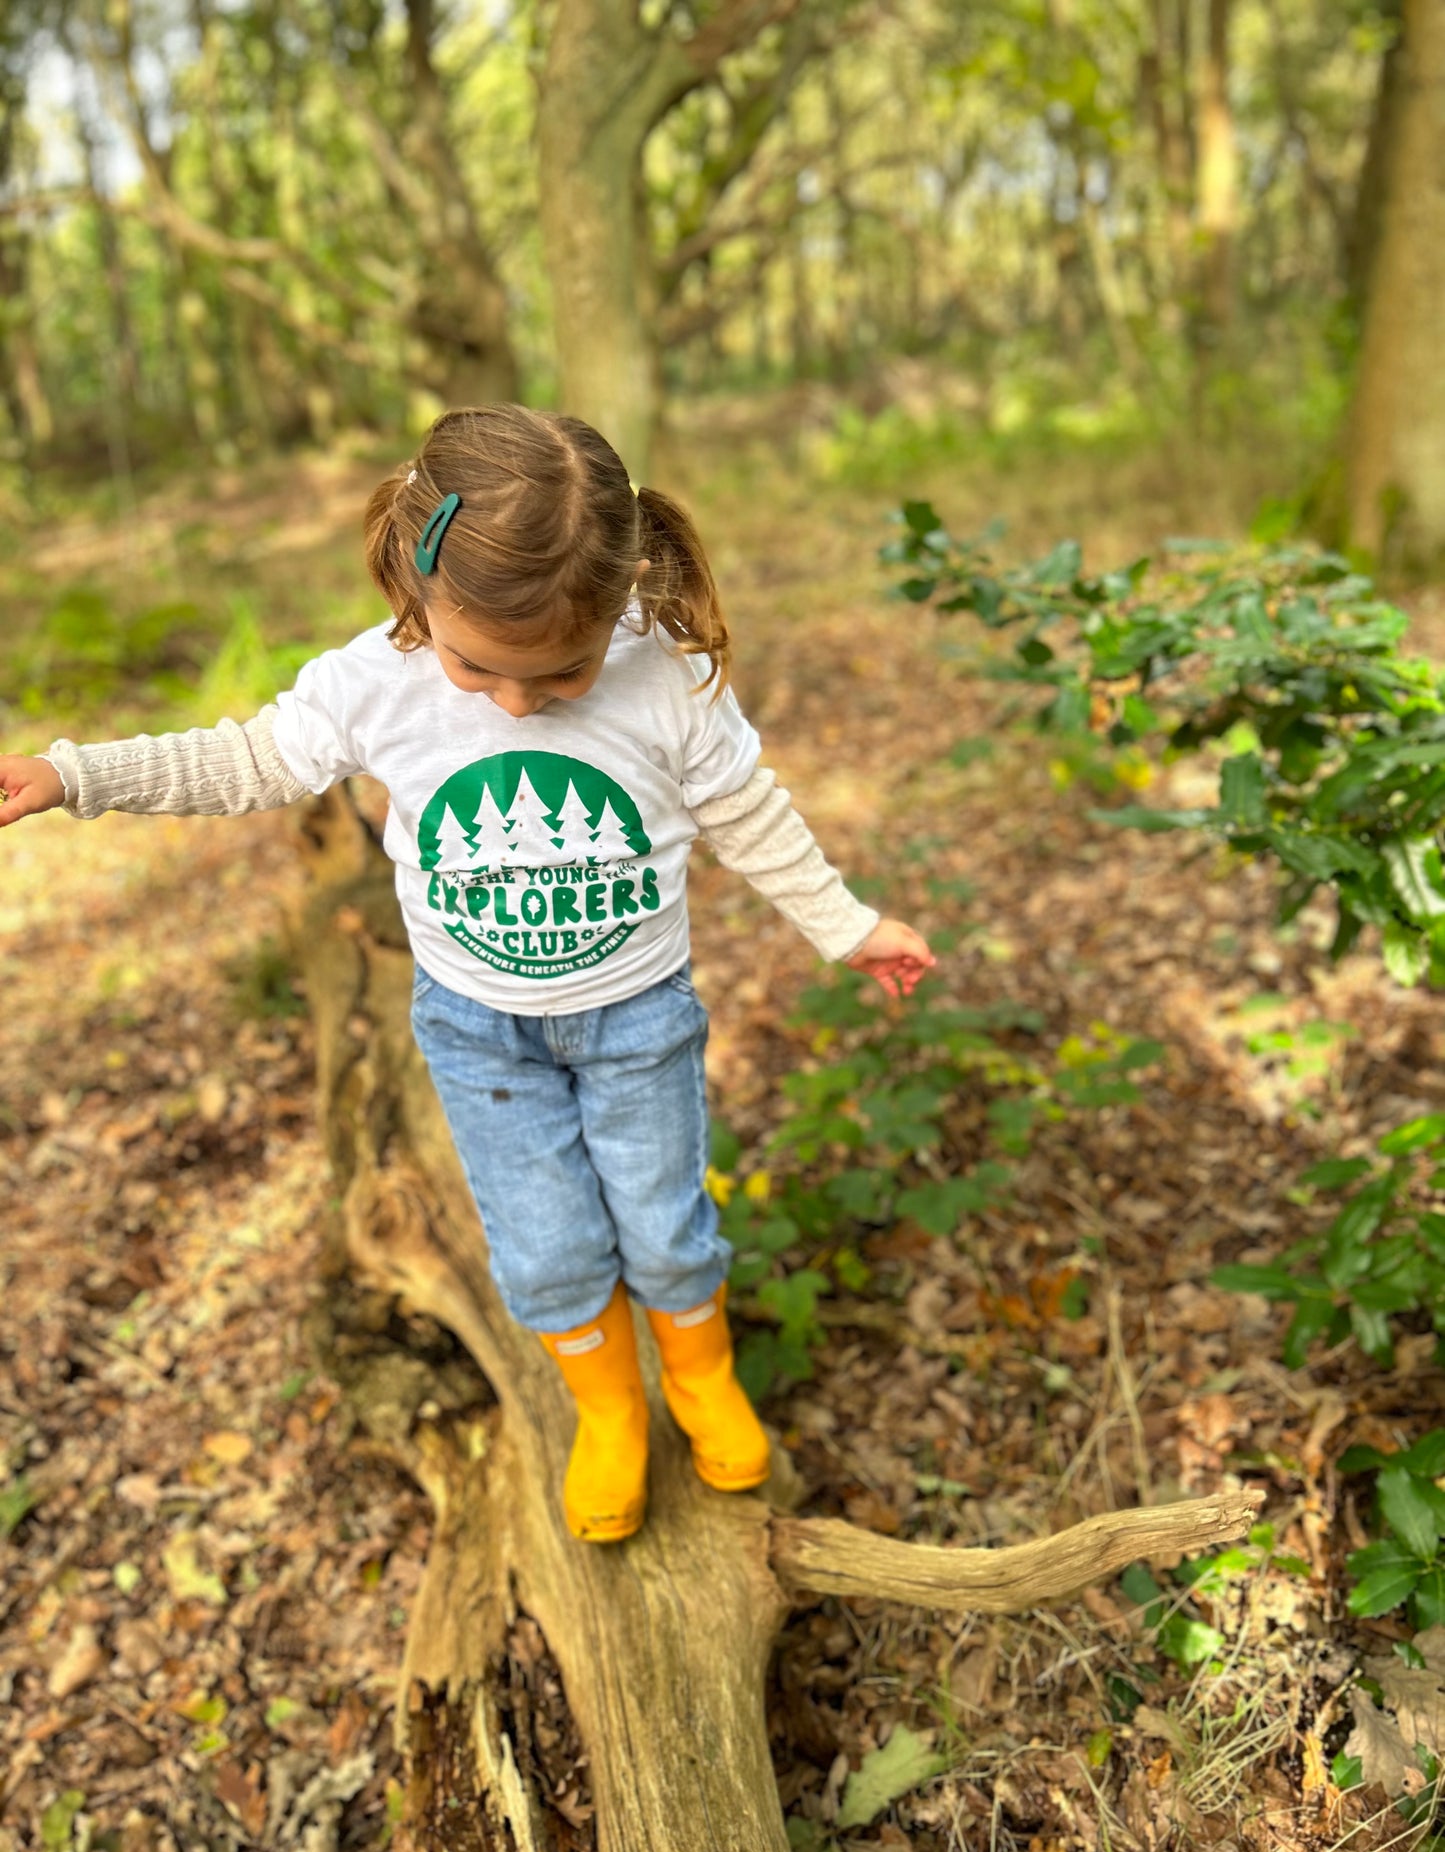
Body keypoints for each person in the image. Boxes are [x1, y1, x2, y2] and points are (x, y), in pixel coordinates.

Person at [0, 405, 934, 1543]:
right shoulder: (375, 683)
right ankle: (607, 1410)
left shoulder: (662, 676)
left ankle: (698, 1378)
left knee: (664, 1220)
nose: (516, 702)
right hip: (480, 1032)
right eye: (476, 666)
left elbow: (748, 813)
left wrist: (847, 924)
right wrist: (72, 774)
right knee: (544, 1242)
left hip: (637, 1019)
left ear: (619, 596)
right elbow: (245, 757)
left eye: (560, 672)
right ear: (411, 585)